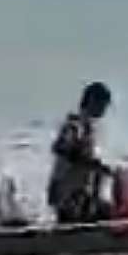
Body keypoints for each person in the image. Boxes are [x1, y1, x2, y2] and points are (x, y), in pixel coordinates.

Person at [47, 82, 117, 224]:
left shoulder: (89, 128)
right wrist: (91, 163)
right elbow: (61, 148)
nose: (104, 109)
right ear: (92, 101)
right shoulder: (75, 126)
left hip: (81, 193)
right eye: (102, 104)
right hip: (69, 194)